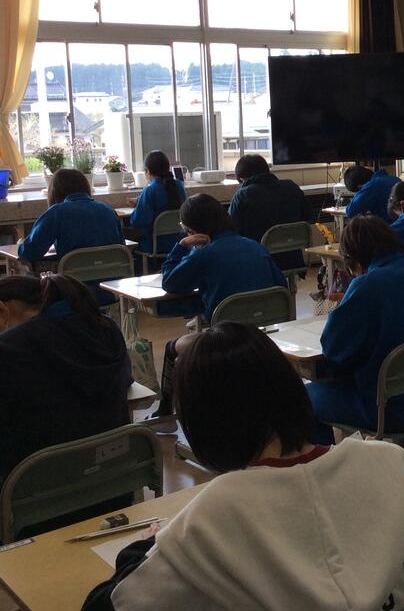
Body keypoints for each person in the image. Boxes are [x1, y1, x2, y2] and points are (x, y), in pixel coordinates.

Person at [82, 324, 404, 611]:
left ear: (203, 426)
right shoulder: (385, 462)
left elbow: (109, 604)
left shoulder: (211, 515)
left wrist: (148, 544)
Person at [307, 216, 404, 444]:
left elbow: (334, 351)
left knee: (302, 398)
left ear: (353, 260)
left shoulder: (367, 285)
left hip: (389, 408)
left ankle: (329, 465)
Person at [0, 274, 131, 520]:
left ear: (3, 311)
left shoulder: (8, 349)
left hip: (36, 505)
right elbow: (127, 381)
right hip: (115, 488)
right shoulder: (104, 328)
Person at [152, 194, 287, 423]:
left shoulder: (205, 254)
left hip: (227, 341)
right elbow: (281, 288)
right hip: (264, 336)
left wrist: (181, 246)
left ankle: (166, 410)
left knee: (172, 347)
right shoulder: (256, 247)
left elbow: (170, 282)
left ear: (192, 231)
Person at [18, 169, 124, 262]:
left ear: (55, 191)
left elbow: (29, 253)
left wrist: (20, 245)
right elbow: (120, 246)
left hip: (73, 277)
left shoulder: (56, 213)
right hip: (112, 274)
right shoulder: (108, 210)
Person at [228, 154, 310, 271]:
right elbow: (307, 215)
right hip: (292, 258)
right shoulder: (291, 187)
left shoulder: (242, 196)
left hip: (258, 261)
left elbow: (231, 230)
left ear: (242, 179)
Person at [127, 151, 186, 255]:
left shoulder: (150, 190)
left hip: (155, 244)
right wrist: (140, 200)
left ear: (148, 171)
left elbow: (137, 222)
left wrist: (140, 204)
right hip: (180, 242)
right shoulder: (179, 186)